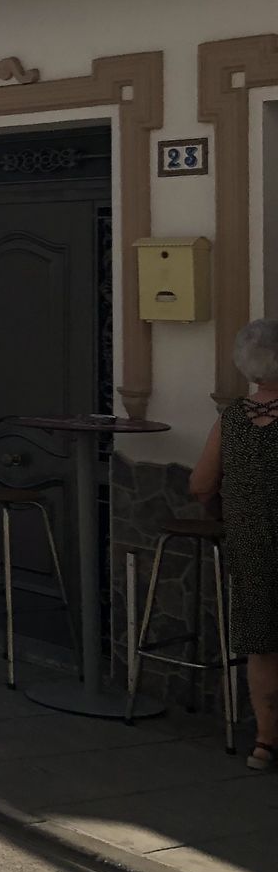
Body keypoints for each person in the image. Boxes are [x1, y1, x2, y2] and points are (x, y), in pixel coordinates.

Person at [191, 318, 278, 769]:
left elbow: (201, 483)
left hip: (252, 543)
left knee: (262, 642)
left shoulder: (232, 421)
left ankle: (266, 742)